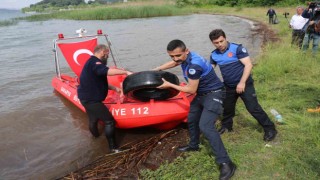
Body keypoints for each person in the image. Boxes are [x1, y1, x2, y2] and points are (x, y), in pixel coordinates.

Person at [155, 39, 236, 180]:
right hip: (201, 94)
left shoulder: (194, 65)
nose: (175, 59)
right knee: (192, 119)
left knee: (206, 126)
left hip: (214, 93)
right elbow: (175, 63)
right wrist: (158, 69)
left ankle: (226, 162)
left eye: (178, 55)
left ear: (186, 51)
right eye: (172, 56)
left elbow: (191, 89)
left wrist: (169, 85)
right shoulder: (186, 57)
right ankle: (194, 145)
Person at [208, 29, 277, 142]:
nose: (220, 44)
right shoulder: (214, 54)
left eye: (221, 41)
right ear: (212, 43)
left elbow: (248, 65)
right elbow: (210, 69)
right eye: (216, 43)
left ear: (226, 38)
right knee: (227, 108)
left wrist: (242, 82)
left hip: (244, 84)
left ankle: (270, 128)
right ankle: (227, 127)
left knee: (253, 108)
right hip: (229, 86)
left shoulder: (237, 49)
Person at [77, 44, 132, 153]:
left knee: (93, 119)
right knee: (109, 121)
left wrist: (114, 88)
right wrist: (125, 72)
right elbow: (107, 71)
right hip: (91, 100)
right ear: (103, 52)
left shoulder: (90, 62)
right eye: (107, 54)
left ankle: (96, 138)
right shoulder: (96, 63)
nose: (108, 57)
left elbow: (97, 81)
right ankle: (113, 148)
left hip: (86, 97)